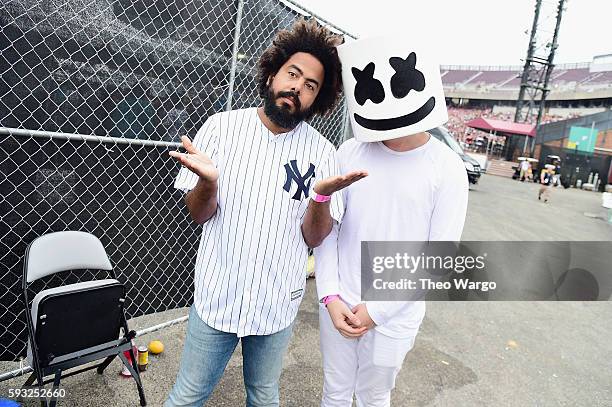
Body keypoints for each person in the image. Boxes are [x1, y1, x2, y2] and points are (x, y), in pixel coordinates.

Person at [165, 18, 366, 407]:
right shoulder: (221, 128)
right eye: (293, 74)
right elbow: (198, 215)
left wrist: (320, 198)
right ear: (273, 73)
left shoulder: (323, 152)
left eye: (311, 86)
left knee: (263, 395)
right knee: (188, 396)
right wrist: (208, 182)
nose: (298, 88)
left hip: (277, 302)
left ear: (318, 100)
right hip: (217, 295)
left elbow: (314, 237)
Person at [314, 37, 469, 406]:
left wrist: (377, 309)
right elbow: (330, 231)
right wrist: (330, 296)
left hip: (395, 315)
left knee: (374, 395)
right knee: (334, 391)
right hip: (338, 304)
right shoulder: (350, 151)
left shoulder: (447, 168)